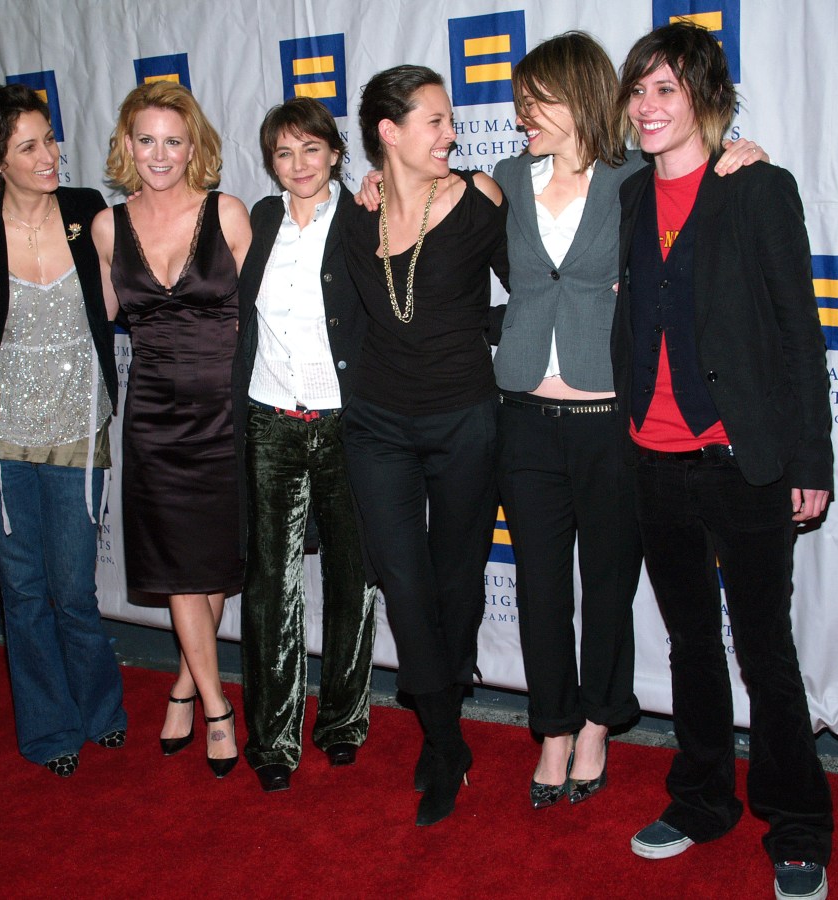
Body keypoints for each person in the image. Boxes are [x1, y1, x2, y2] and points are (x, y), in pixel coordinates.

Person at [357, 34, 764, 811]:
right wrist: (378, 184)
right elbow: (427, 212)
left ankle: (598, 726)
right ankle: (552, 725)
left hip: (612, 416)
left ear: (575, 98)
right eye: (517, 103)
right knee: (543, 586)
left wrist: (737, 157)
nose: (519, 117)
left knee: (608, 584)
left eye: (532, 101)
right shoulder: (502, 180)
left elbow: (699, 212)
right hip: (521, 414)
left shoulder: (634, 181)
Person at [611, 23, 833, 900]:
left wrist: (808, 456)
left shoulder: (756, 188)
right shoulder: (630, 196)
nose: (648, 106)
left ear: (705, 97)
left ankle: (800, 823)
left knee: (765, 650)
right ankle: (703, 798)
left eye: (666, 89)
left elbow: (798, 335)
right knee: (691, 644)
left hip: (740, 460)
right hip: (653, 458)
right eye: (638, 91)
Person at [0, 83, 126, 777]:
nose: (51, 155)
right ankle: (49, 732)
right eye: (30, 147)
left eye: (49, 138)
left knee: (74, 590)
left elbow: (128, 286)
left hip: (78, 430)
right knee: (24, 594)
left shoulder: (85, 210)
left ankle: (102, 711)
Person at [339, 65, 509, 826]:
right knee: (404, 587)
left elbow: (533, 285)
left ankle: (442, 725)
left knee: (457, 585)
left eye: (450, 120)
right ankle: (445, 743)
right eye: (434, 121)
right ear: (390, 133)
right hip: (377, 424)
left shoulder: (479, 199)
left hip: (465, 421)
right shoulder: (357, 213)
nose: (451, 133)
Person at [92, 82, 251, 779]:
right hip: (153, 415)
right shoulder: (105, 226)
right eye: (146, 140)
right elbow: (95, 316)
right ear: (127, 145)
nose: (159, 154)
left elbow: (270, 316)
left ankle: (186, 681)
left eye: (173, 141)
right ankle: (218, 705)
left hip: (227, 410)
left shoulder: (229, 214)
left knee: (212, 559)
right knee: (184, 565)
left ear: (196, 147)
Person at [233, 97, 377, 793]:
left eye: (311, 150)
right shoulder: (259, 220)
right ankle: (272, 738)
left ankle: (344, 722)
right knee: (270, 588)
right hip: (269, 420)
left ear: (336, 154)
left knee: (353, 575)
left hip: (348, 421)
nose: (298, 165)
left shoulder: (363, 216)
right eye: (284, 154)